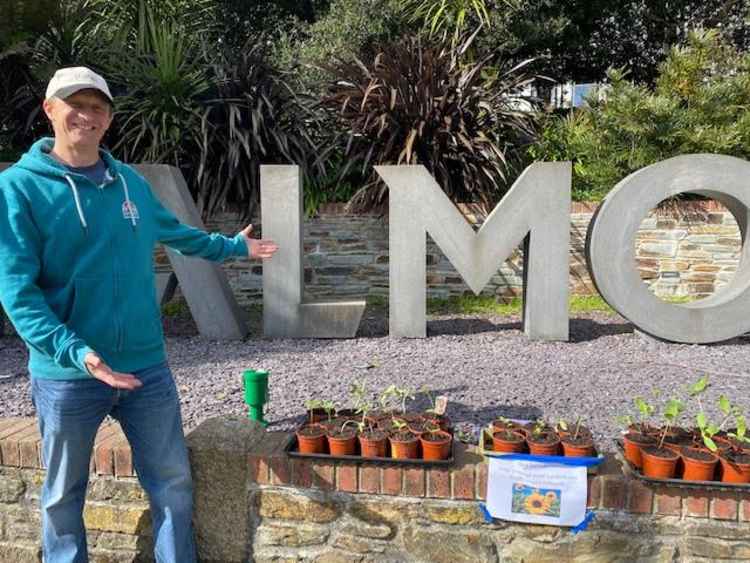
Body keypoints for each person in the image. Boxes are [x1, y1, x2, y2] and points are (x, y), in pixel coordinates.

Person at [0, 66, 278, 562]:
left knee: (172, 483)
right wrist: (76, 352)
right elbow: (18, 293)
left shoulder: (127, 181)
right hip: (70, 374)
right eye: (75, 104)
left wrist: (234, 246)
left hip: (146, 367)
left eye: (98, 107)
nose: (87, 115)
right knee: (63, 496)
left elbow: (178, 234)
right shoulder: (18, 190)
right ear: (50, 110)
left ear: (108, 119)